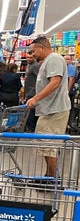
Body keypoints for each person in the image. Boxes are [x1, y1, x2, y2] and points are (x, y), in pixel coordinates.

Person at [25, 37, 70, 181]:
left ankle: (52, 179)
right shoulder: (47, 62)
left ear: (42, 47)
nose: (32, 55)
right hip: (48, 110)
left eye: (33, 51)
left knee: (49, 145)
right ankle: (50, 176)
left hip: (55, 110)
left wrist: (36, 98)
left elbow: (55, 82)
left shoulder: (54, 59)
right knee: (45, 145)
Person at [24, 51, 40, 132]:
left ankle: (32, 129)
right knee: (30, 111)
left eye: (31, 57)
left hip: (33, 92)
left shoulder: (35, 66)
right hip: (29, 91)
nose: (29, 59)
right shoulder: (29, 65)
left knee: (30, 112)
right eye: (27, 57)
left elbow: (40, 78)